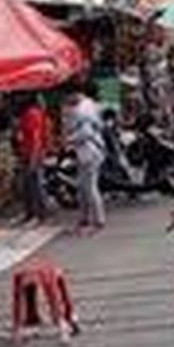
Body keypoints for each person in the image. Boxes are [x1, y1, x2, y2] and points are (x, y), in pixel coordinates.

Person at [63, 81, 106, 233]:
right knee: (82, 187)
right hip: (88, 151)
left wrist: (69, 139)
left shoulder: (82, 110)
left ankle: (97, 220)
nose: (66, 100)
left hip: (90, 151)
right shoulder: (88, 104)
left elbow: (86, 132)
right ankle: (85, 219)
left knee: (89, 187)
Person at [14, 95, 50, 223]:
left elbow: (36, 138)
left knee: (34, 185)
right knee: (29, 185)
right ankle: (32, 213)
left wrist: (34, 158)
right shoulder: (35, 114)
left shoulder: (32, 115)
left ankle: (38, 214)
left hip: (32, 154)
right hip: (29, 153)